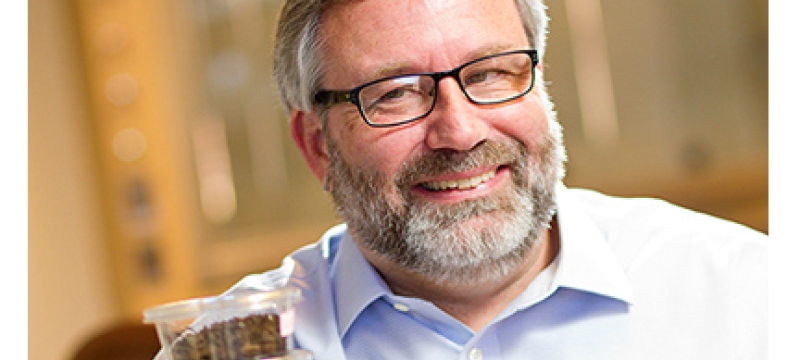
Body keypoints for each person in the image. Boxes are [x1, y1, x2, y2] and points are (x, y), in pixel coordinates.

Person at [154, 0, 767, 359]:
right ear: (316, 145)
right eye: (393, 93)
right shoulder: (234, 348)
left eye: (493, 73)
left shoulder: (746, 292)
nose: (460, 130)